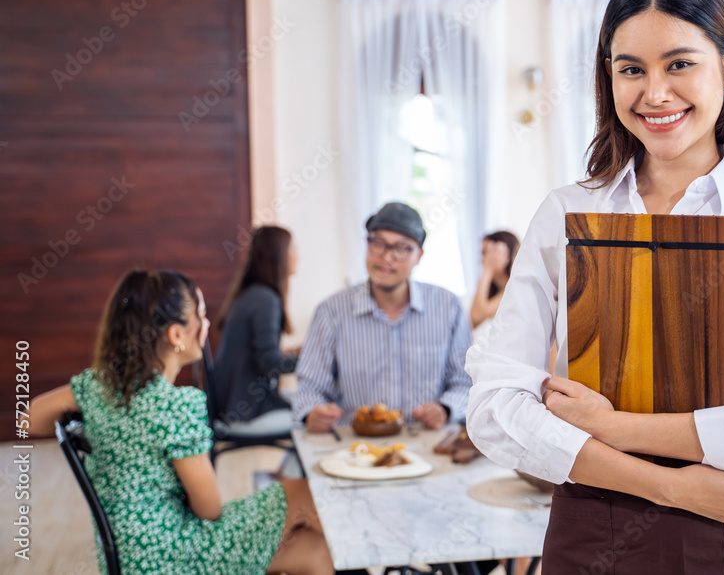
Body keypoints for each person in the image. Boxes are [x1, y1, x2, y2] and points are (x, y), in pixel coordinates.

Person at [465, 0, 724, 573]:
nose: (655, 93)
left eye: (680, 63)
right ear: (609, 78)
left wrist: (615, 428)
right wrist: (670, 486)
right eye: (632, 69)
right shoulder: (567, 213)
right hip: (593, 522)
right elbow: (494, 407)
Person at [26, 269, 333, 575]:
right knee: (302, 492)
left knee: (314, 551)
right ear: (176, 335)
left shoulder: (96, 386)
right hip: (174, 558)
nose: (207, 324)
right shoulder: (176, 406)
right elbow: (209, 510)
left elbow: (29, 419)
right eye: (201, 315)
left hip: (126, 561)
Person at [294, 202, 473, 433]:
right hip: (355, 449)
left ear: (419, 255)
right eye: (377, 243)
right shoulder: (331, 311)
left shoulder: (448, 307)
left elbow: (465, 382)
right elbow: (309, 386)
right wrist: (311, 412)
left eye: (401, 248)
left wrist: (446, 409)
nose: (386, 257)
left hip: (427, 443)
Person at [214, 226, 299, 431]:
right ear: (279, 255)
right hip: (244, 411)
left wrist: (298, 353)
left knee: (309, 406)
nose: (298, 256)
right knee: (315, 418)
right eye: (293, 249)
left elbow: (258, 356)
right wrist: (313, 358)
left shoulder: (252, 295)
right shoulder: (265, 299)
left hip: (232, 403)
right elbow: (270, 365)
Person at [469, 230, 520, 334]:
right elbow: (471, 323)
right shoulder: (498, 292)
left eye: (485, 253)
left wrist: (488, 269)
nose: (482, 260)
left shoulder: (517, 288)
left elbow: (475, 316)